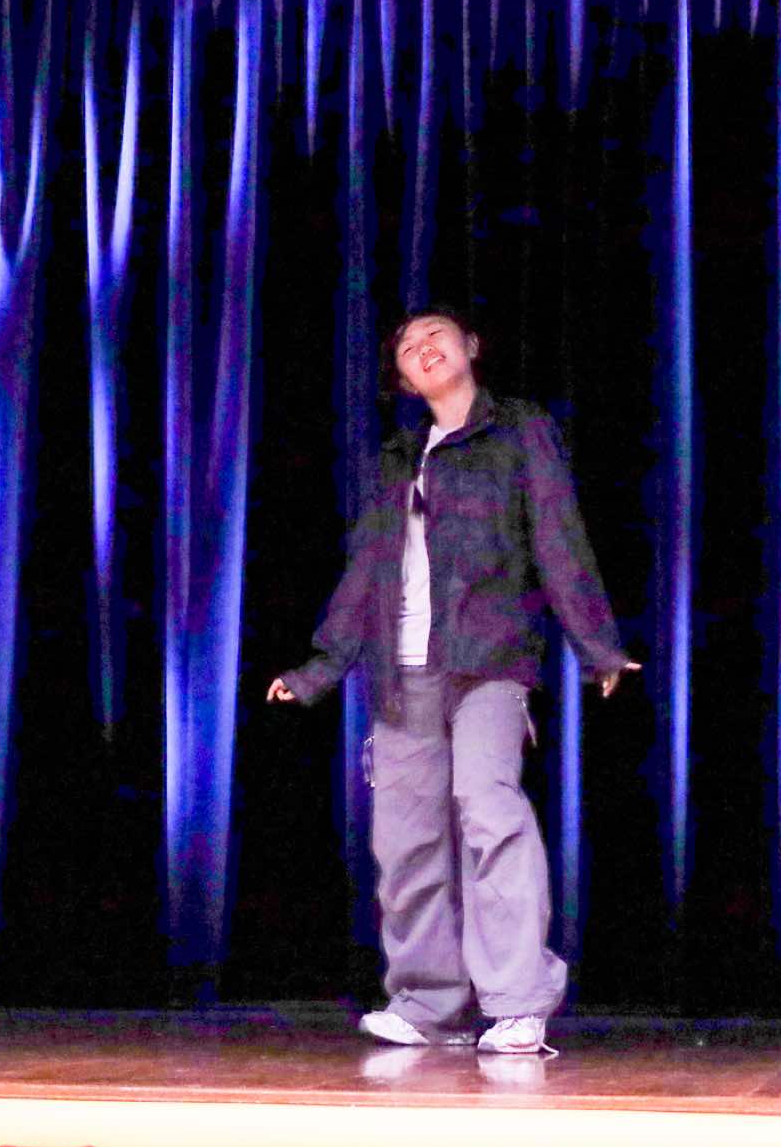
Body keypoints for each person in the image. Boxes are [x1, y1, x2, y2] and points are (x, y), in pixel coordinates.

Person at [267, 307, 639, 1055]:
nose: (423, 347)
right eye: (408, 346)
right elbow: (367, 574)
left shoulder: (519, 432)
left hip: (488, 662)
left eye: (436, 334)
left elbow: (557, 536)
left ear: (471, 345)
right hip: (402, 672)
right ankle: (428, 1004)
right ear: (404, 380)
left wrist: (596, 643)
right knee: (406, 840)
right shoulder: (398, 460)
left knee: (488, 804)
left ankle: (518, 1003)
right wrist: (319, 667)